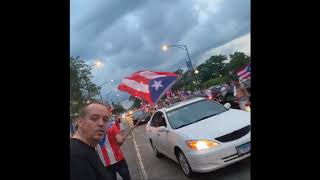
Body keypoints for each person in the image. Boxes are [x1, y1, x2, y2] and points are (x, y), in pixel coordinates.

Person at [70, 103, 111, 180]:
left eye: (105, 120)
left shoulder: (88, 148)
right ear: (79, 122)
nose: (101, 124)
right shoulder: (75, 155)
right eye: (94, 118)